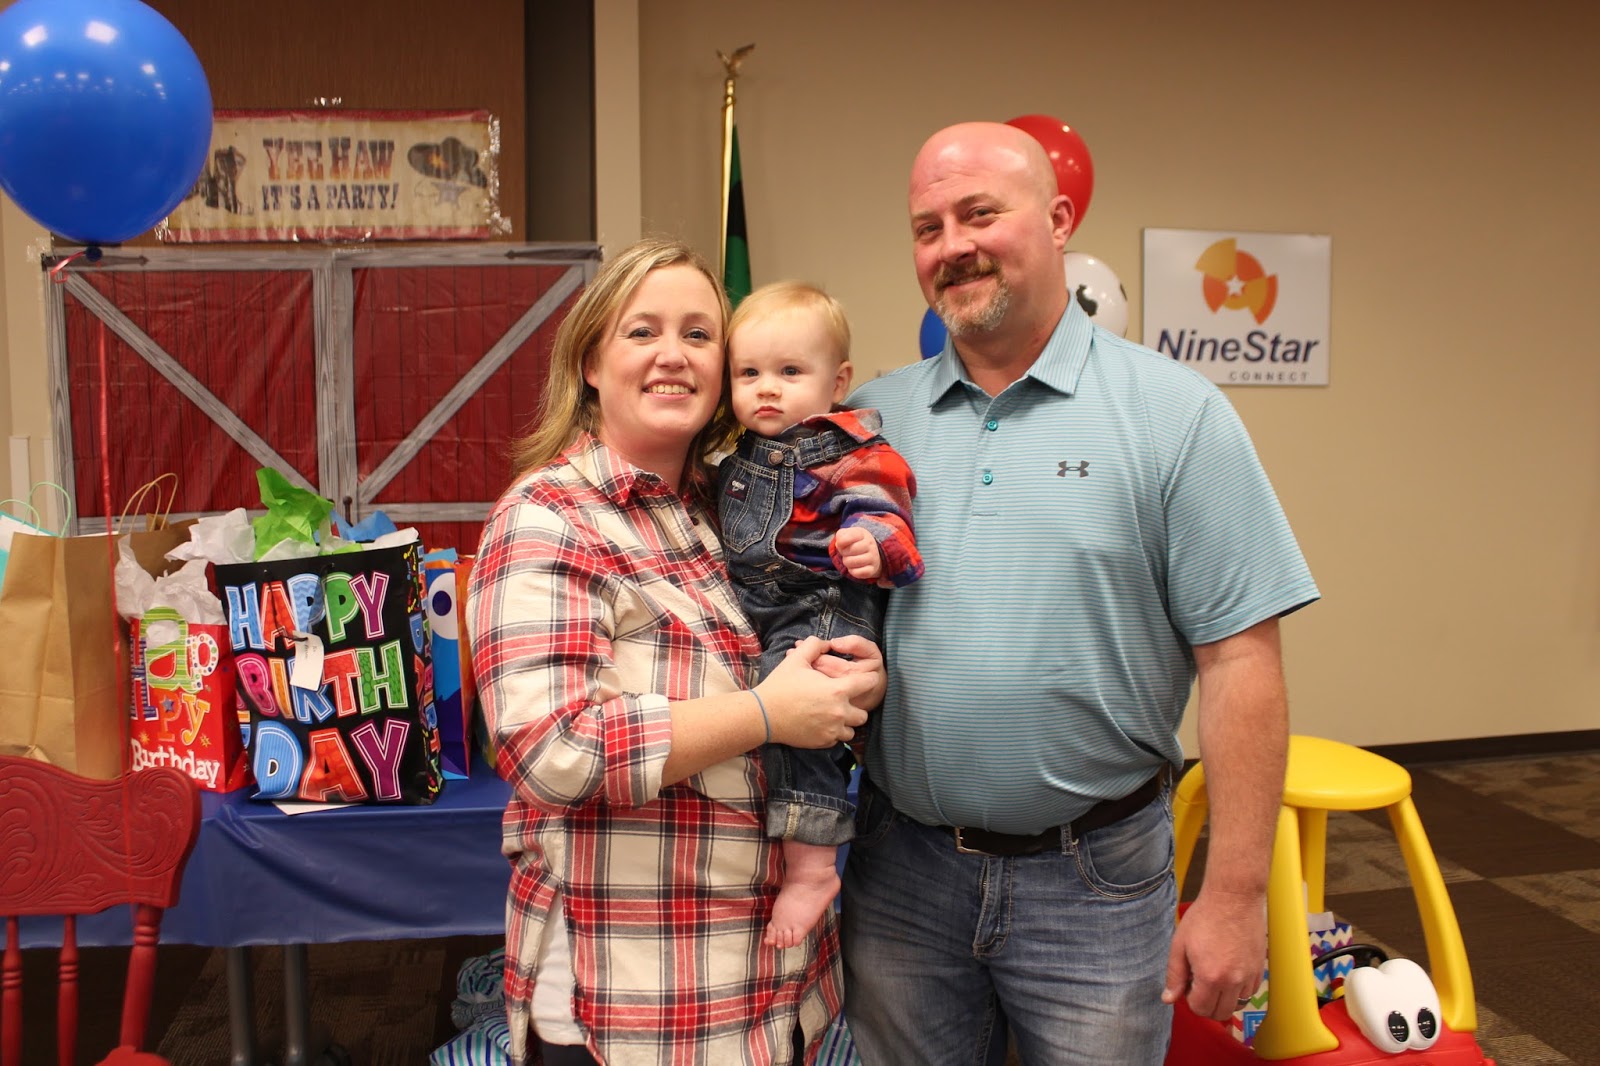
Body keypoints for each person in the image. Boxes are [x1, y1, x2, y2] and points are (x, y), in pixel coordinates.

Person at [840, 122, 1321, 1065]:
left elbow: (1240, 663)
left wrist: (1234, 897)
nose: (952, 245)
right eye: (928, 227)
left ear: (1059, 221)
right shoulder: (871, 421)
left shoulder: (1176, 415)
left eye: (980, 214)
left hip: (1094, 884)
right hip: (900, 876)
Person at [467, 238, 886, 1066]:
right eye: (642, 331)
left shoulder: (731, 506)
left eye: (698, 334)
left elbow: (798, 642)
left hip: (766, 988)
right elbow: (550, 749)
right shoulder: (549, 518)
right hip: (637, 1005)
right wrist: (766, 713)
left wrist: (849, 680)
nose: (673, 354)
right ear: (591, 362)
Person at [718, 281, 924, 949]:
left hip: (823, 608)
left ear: (837, 383)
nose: (766, 389)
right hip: (762, 610)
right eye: (749, 374)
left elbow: (888, 512)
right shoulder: (735, 459)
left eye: (789, 372)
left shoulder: (850, 454)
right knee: (765, 719)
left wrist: (874, 543)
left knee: (802, 723)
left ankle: (812, 869)